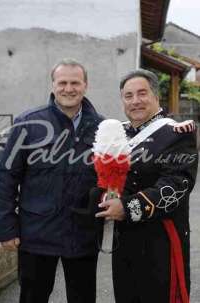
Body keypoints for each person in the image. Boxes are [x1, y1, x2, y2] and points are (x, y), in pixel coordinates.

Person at [0, 59, 103, 303]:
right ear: (53, 85)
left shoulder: (102, 127)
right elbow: (5, 177)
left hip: (82, 234)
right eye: (62, 82)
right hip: (36, 235)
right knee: (33, 297)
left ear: (85, 85)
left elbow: (114, 175)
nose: (69, 88)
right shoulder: (29, 123)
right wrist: (5, 226)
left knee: (83, 298)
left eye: (75, 82)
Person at [96, 69, 199, 303]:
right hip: (124, 239)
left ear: (155, 96)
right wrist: (103, 195)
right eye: (128, 96)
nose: (135, 101)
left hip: (160, 238)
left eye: (142, 94)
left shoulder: (176, 133)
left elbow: (176, 185)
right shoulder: (118, 133)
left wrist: (128, 207)